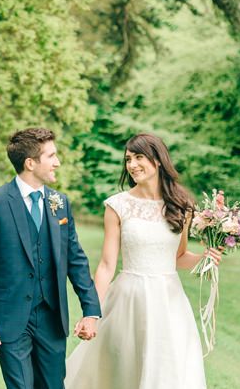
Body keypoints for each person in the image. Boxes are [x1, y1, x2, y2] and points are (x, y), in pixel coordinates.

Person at [64, 133, 223, 389]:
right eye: (128, 159)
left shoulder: (182, 206)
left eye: (139, 157)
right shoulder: (117, 205)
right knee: (120, 372)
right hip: (128, 300)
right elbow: (106, 265)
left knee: (167, 373)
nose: (132, 165)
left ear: (158, 160)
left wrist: (205, 259)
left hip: (169, 303)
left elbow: (178, 257)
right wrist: (91, 313)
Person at [0, 127, 103, 389]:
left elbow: (75, 259)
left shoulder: (60, 203)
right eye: (51, 156)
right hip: (10, 320)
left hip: (52, 319)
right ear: (30, 163)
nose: (57, 162)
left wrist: (91, 310)